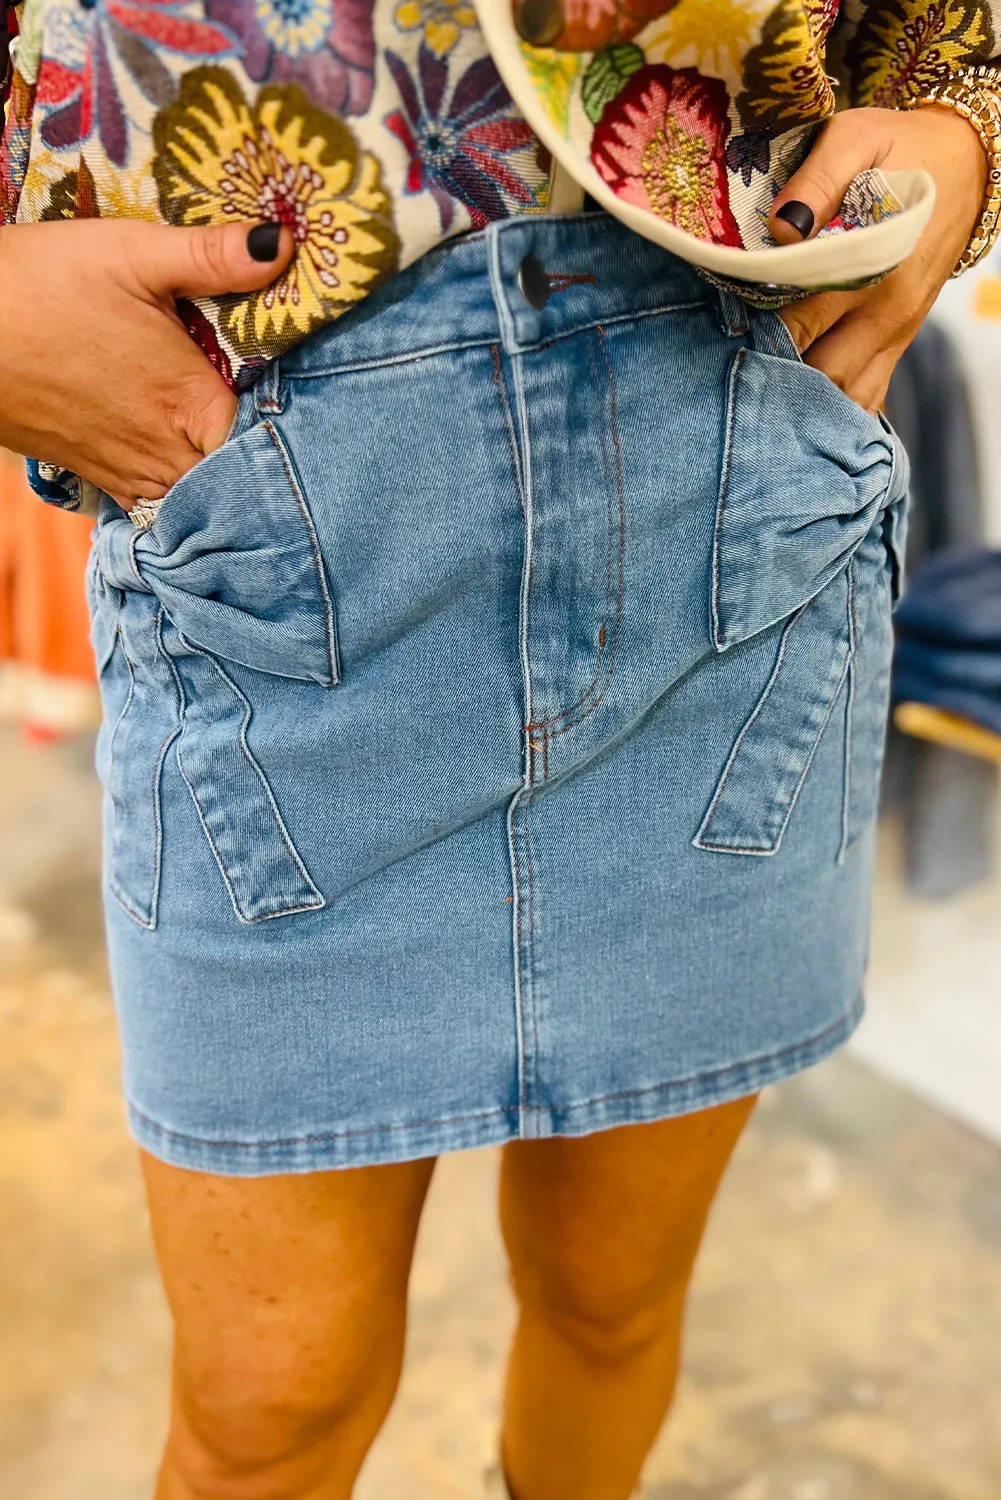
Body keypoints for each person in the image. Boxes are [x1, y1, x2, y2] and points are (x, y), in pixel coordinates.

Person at [1, 3, 997, 1497]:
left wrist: (955, 110)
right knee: (269, 1410)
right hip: (275, 564)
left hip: (725, 520)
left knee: (612, 1299)